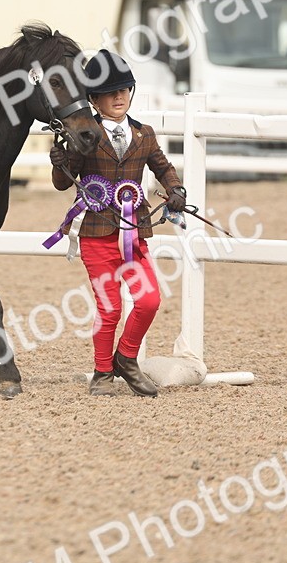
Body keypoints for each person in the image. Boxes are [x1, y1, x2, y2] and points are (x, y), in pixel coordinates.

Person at [49, 50, 187, 396]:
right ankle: (102, 374)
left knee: (150, 300)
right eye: (111, 93)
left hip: (134, 232)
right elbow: (63, 183)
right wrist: (59, 162)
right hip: (97, 234)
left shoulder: (145, 134)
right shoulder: (86, 134)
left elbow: (163, 167)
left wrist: (176, 189)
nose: (119, 97)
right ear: (94, 100)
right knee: (109, 308)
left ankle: (125, 358)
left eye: (124, 90)